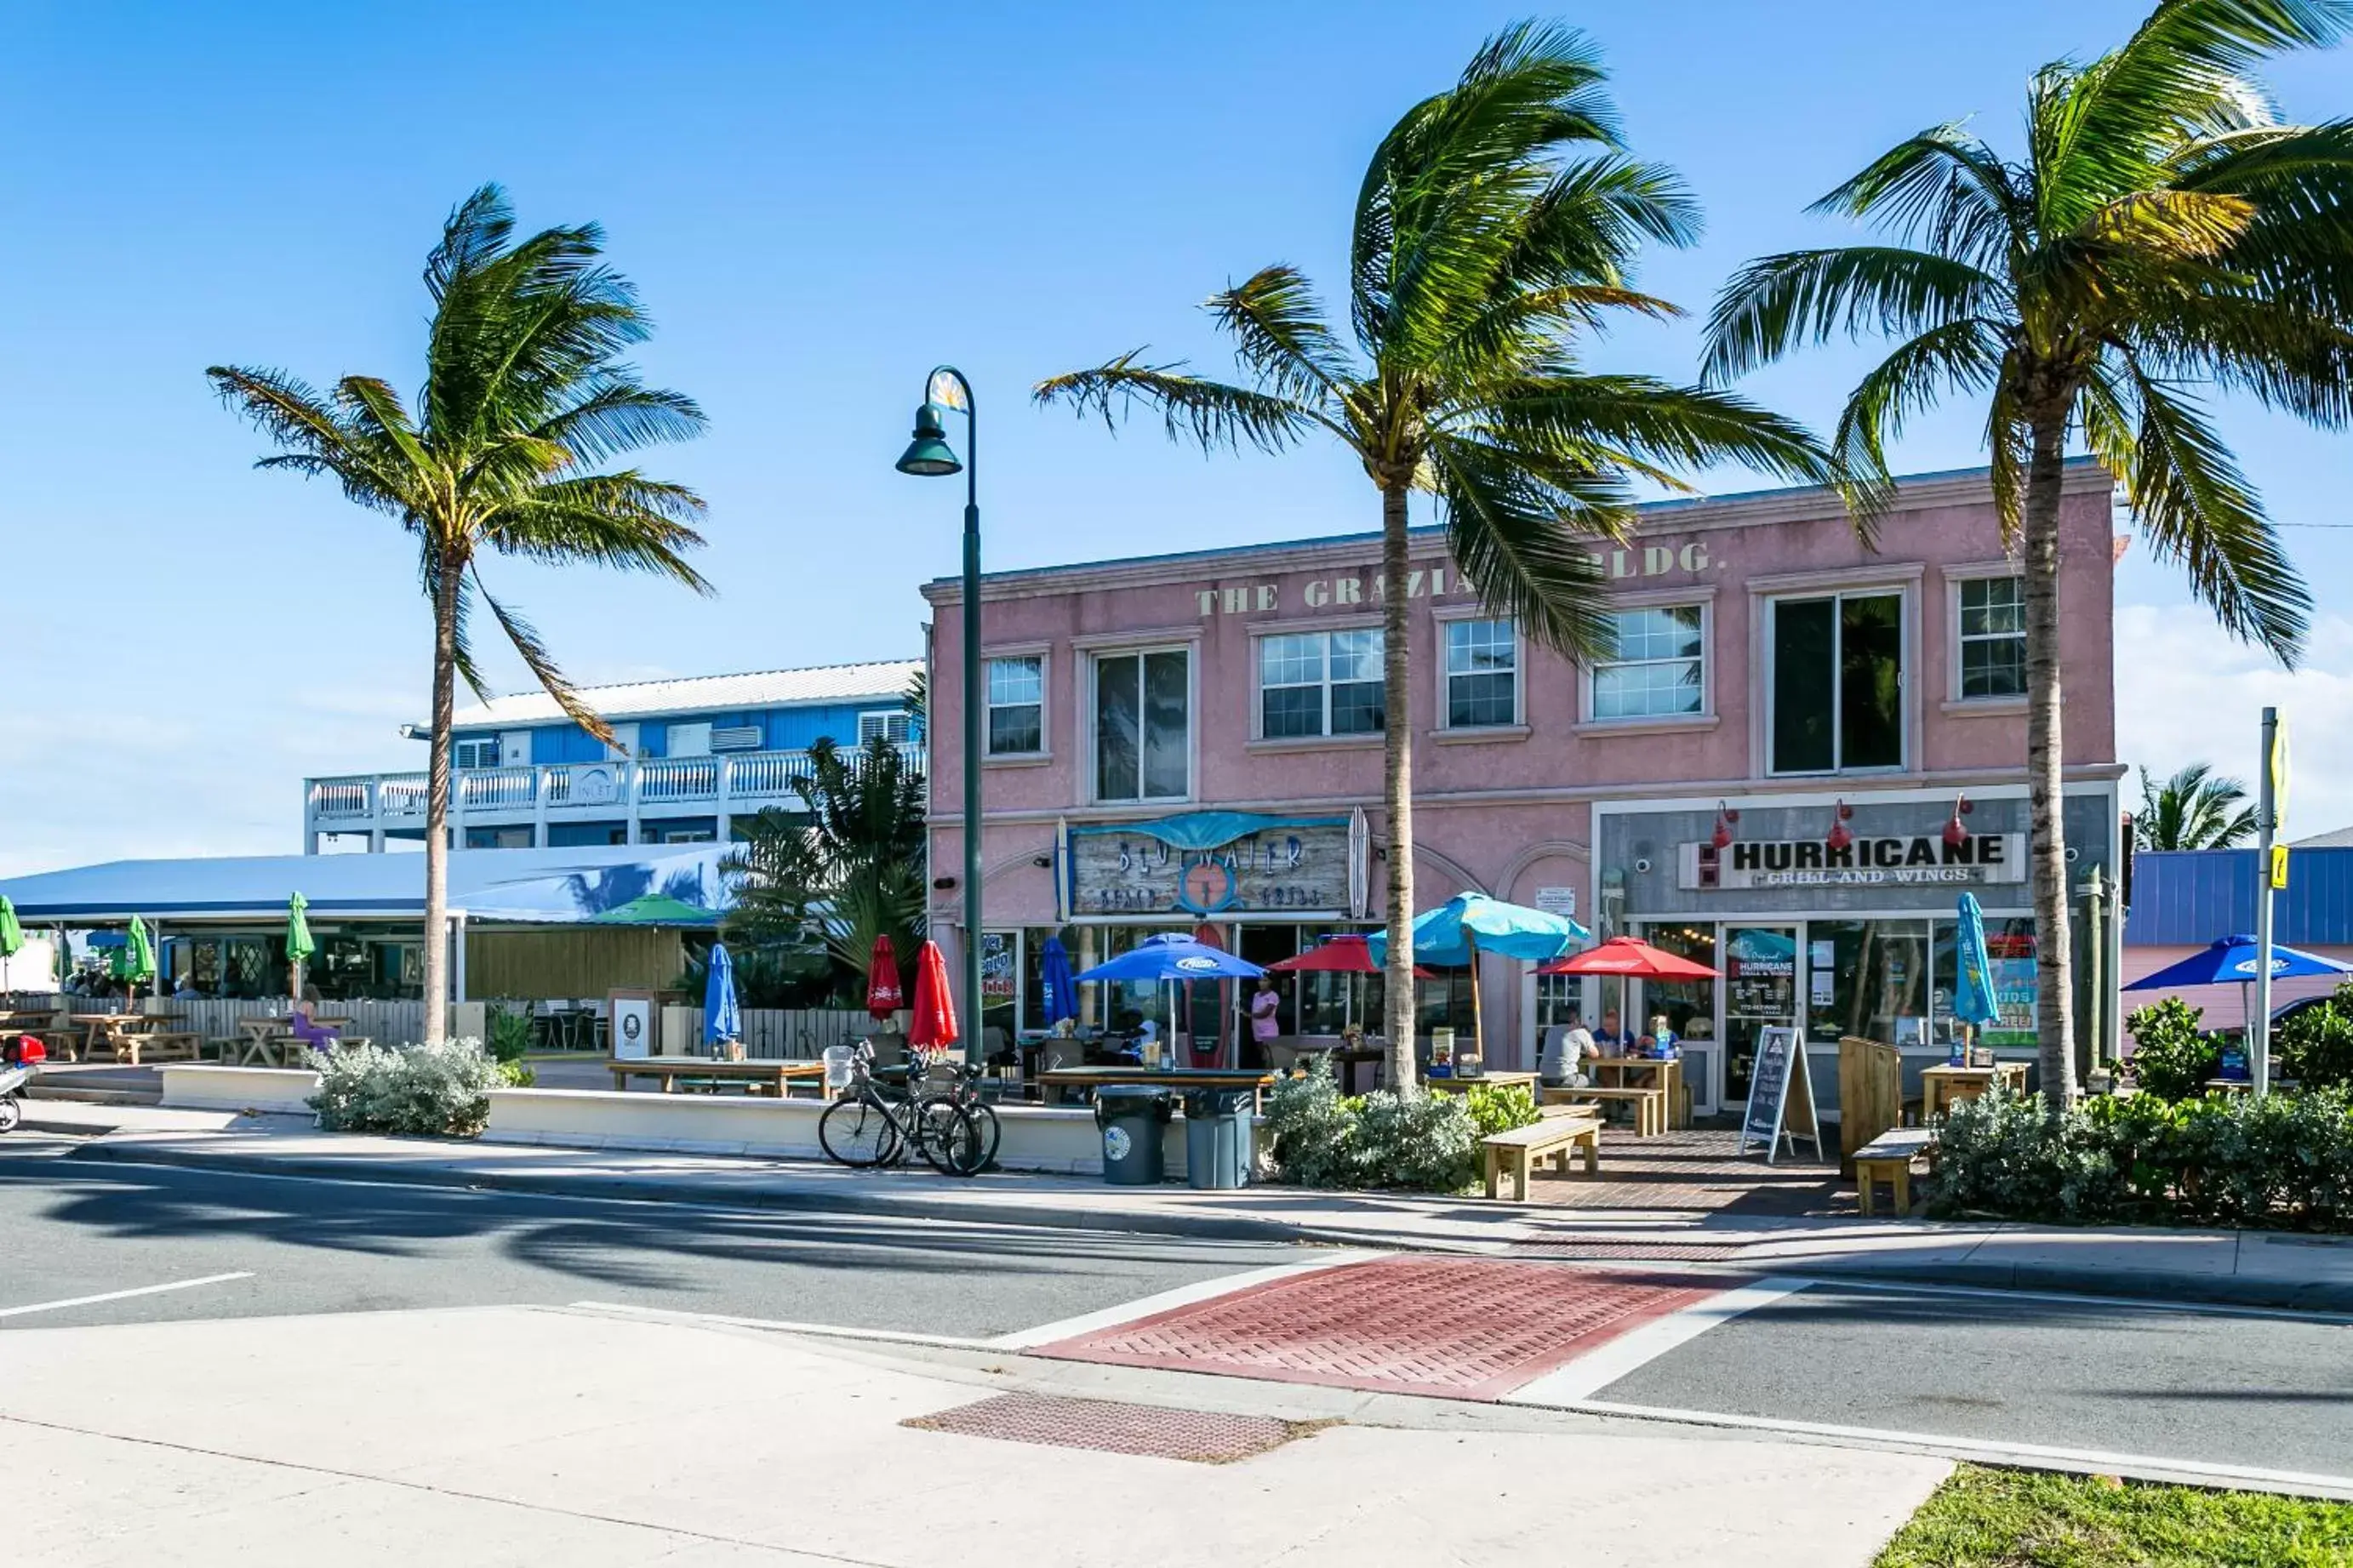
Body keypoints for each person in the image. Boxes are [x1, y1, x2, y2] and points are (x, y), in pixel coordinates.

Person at [1539, 1008, 1596, 1088]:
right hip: (1565, 1078)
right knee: (1595, 1085)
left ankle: (1573, 1101)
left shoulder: (1550, 1031)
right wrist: (1588, 1034)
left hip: (1544, 1079)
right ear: (1576, 1020)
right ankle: (1583, 1101)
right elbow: (1594, 1054)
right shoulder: (1580, 1031)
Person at [1248, 975, 1282, 1066]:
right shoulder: (1256, 995)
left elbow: (1265, 1013)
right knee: (1263, 1055)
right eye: (1260, 980)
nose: (1262, 983)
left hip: (1269, 1029)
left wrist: (1250, 1015)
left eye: (1265, 980)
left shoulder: (1273, 995)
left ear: (1270, 982)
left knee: (1269, 1054)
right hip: (1257, 1029)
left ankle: (1271, 1076)